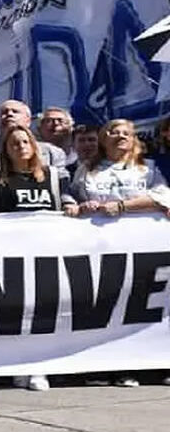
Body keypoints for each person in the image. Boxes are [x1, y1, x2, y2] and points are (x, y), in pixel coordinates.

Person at [0, 124, 76, 392]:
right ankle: (18, 365)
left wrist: (71, 205)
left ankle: (40, 366)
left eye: (24, 142)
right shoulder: (1, 181)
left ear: (34, 146)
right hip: (13, 257)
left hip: (49, 255)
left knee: (45, 314)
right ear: (6, 151)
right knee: (18, 314)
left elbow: (68, 199)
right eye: (14, 144)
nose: (20, 147)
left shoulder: (53, 176)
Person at [69, 118, 170, 387]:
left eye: (126, 133)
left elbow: (162, 197)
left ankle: (140, 365)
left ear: (134, 139)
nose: (120, 136)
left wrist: (124, 206)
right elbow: (70, 197)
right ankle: (106, 365)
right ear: (103, 138)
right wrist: (79, 205)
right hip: (99, 251)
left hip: (141, 251)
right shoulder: (87, 169)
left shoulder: (147, 169)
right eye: (114, 132)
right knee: (105, 307)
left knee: (138, 306)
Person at [0, 100, 65, 167]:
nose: (9, 114)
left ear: (28, 121)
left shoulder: (53, 153)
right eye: (4, 112)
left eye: (15, 111)